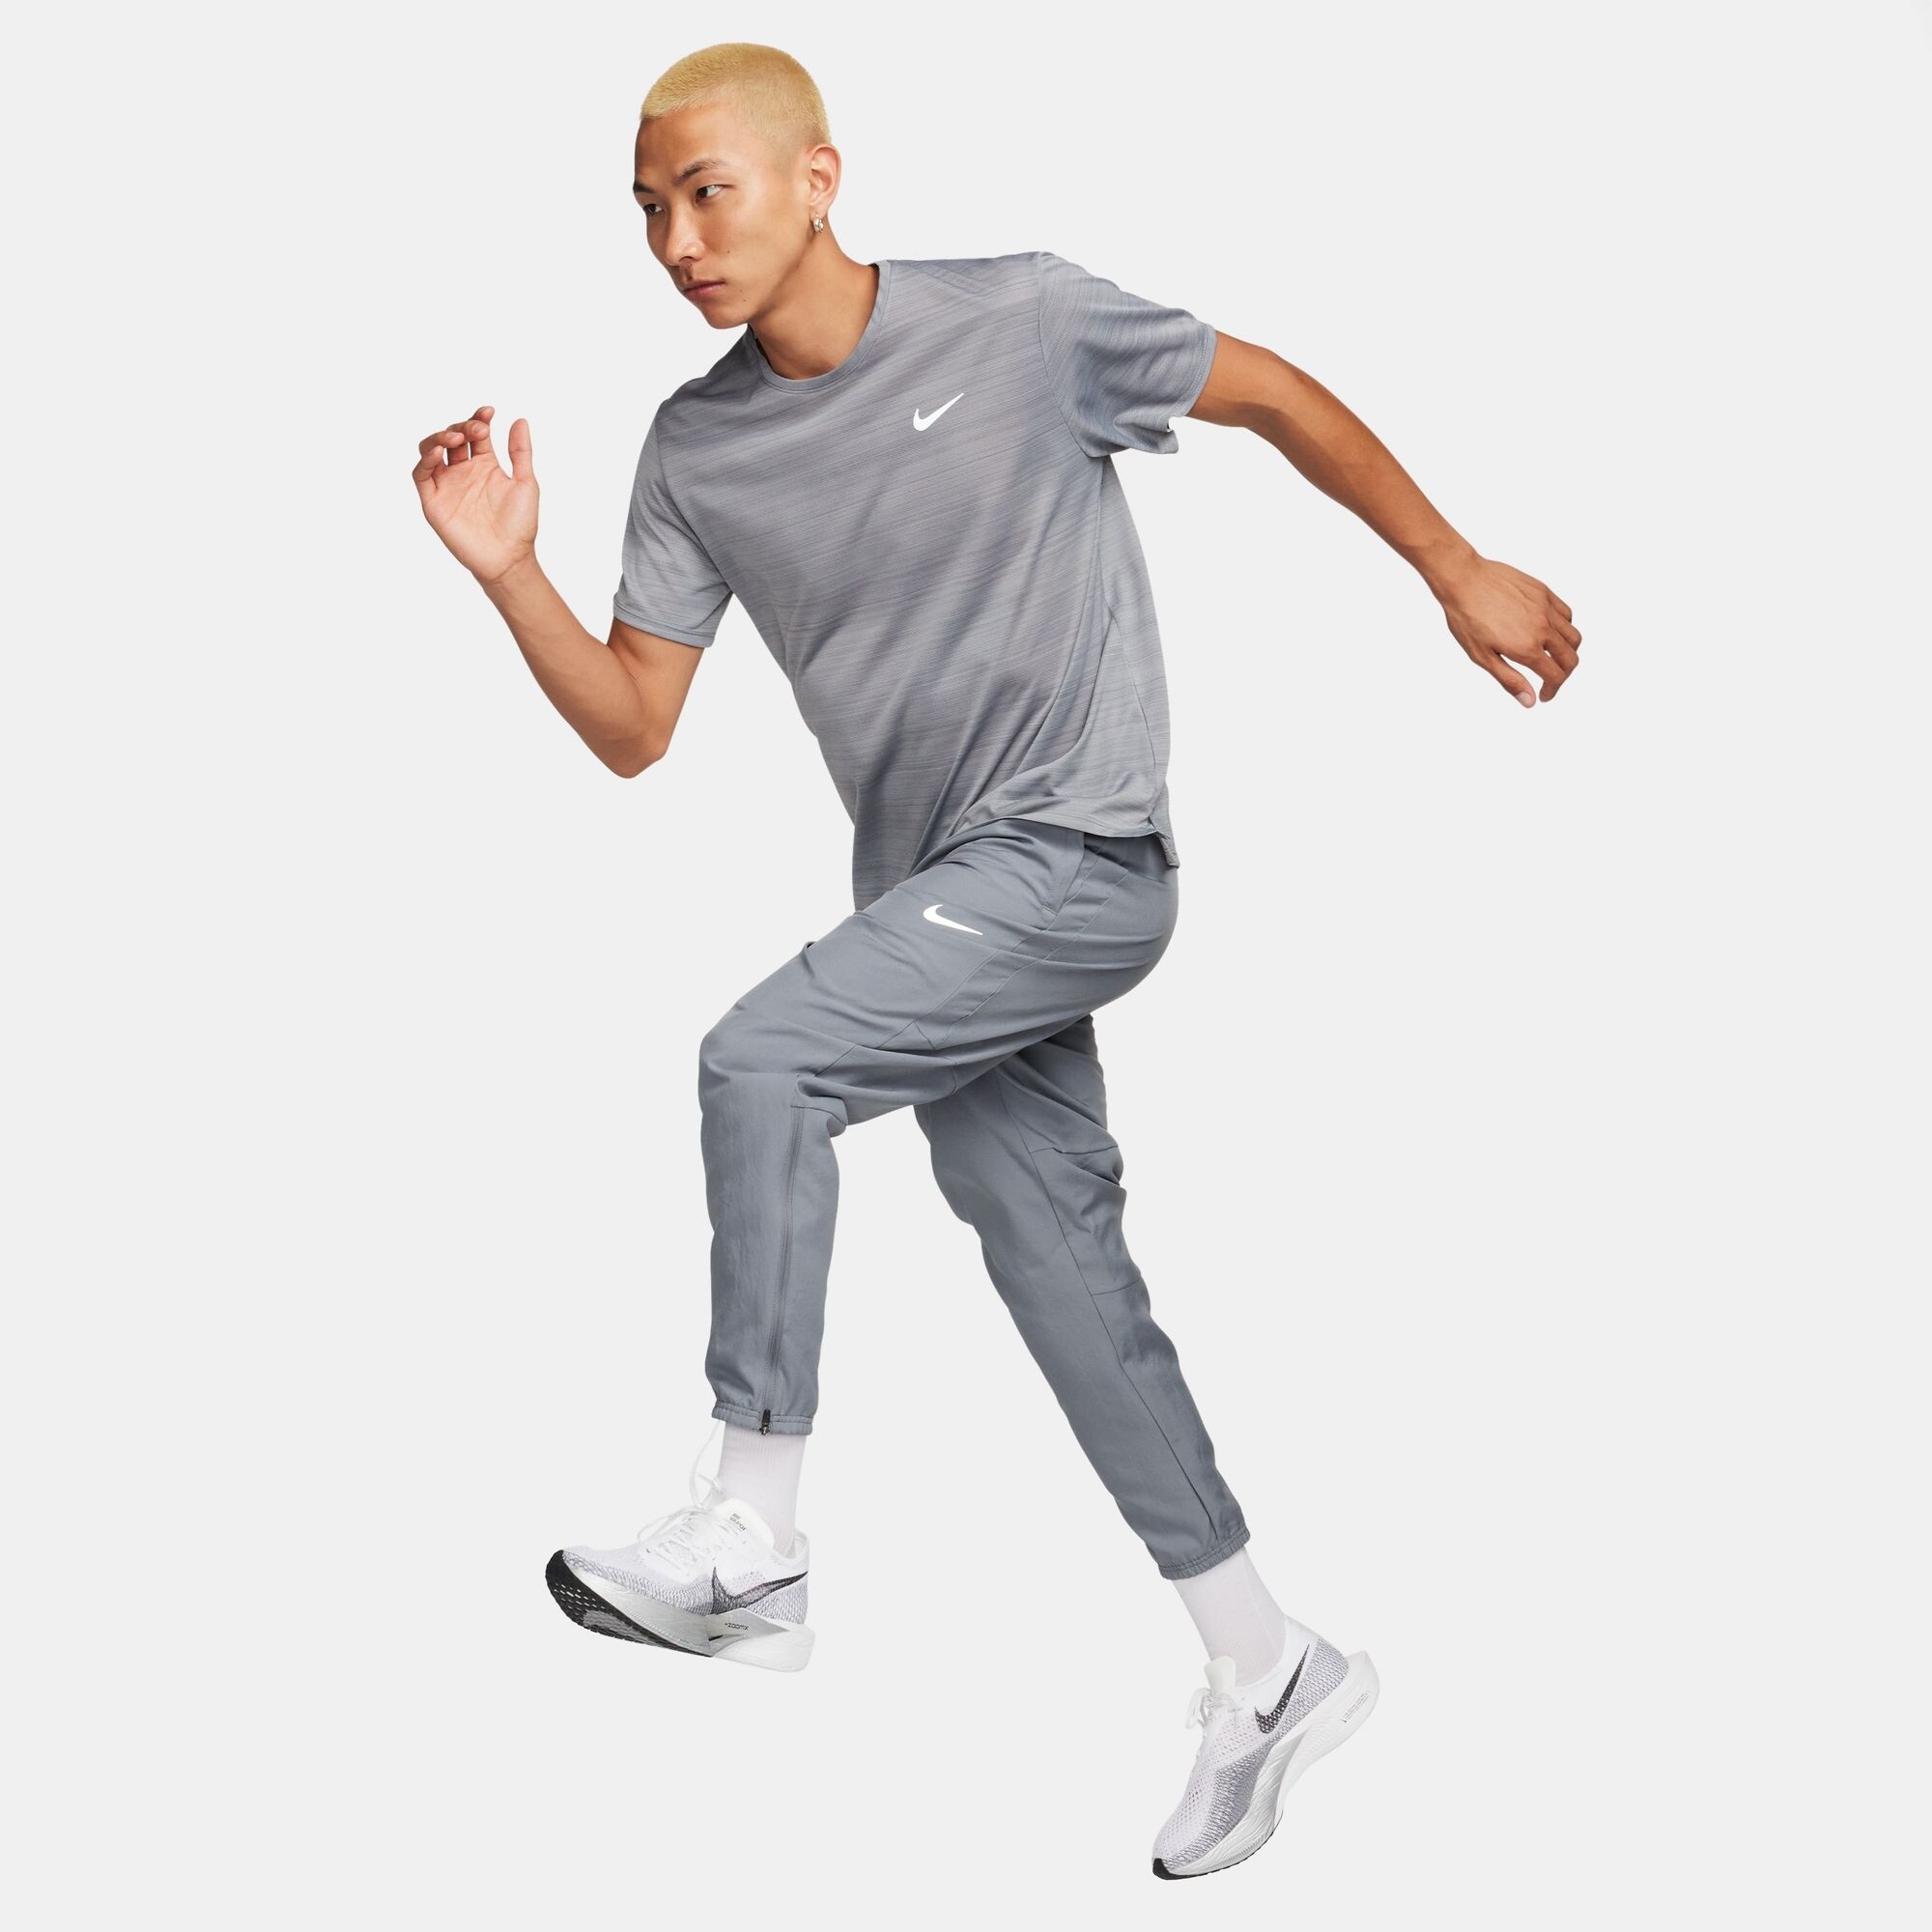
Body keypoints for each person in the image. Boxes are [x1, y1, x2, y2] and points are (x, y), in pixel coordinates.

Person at [410, 41, 1579, 1880]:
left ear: (818, 180)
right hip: (938, 909)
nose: (677, 239)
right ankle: (1270, 1665)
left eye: (709, 190)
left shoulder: (1023, 323)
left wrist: (1453, 563)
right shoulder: (699, 447)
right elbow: (635, 726)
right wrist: (507, 573)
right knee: (1057, 1264)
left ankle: (751, 1533)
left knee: (763, 1060)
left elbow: (1268, 392)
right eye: (646, 208)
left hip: (1078, 854)